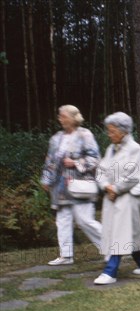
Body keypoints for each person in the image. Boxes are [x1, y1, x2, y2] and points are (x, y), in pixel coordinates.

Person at [94, 112, 140, 285]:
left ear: (124, 131)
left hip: (128, 198)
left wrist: (116, 188)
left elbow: (134, 176)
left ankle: (110, 271)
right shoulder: (110, 149)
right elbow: (101, 171)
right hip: (111, 197)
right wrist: (106, 186)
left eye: (112, 131)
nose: (109, 134)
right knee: (130, 234)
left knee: (119, 234)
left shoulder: (135, 149)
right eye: (109, 130)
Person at [41, 104, 103, 265]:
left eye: (63, 116)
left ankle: (113, 249)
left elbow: (95, 159)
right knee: (62, 220)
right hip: (60, 188)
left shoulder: (85, 135)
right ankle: (66, 256)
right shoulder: (56, 138)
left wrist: (76, 162)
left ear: (73, 118)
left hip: (80, 185)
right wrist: (46, 179)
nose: (60, 119)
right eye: (60, 116)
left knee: (85, 221)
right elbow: (49, 161)